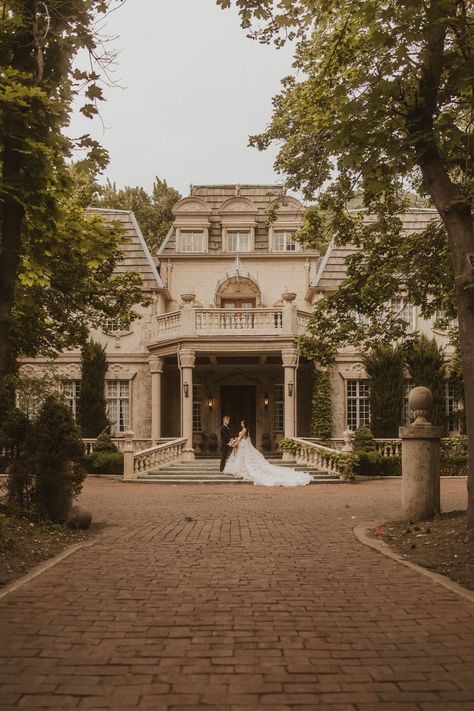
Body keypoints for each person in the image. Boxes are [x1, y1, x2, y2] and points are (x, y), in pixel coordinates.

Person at [224, 419, 312, 487]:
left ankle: (240, 470)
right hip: (243, 445)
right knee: (243, 458)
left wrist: (234, 442)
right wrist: (235, 441)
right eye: (241, 423)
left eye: (242, 423)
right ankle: (239, 469)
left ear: (244, 424)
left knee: (244, 459)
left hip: (242, 445)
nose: (241, 424)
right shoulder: (245, 429)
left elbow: (240, 439)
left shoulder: (244, 430)